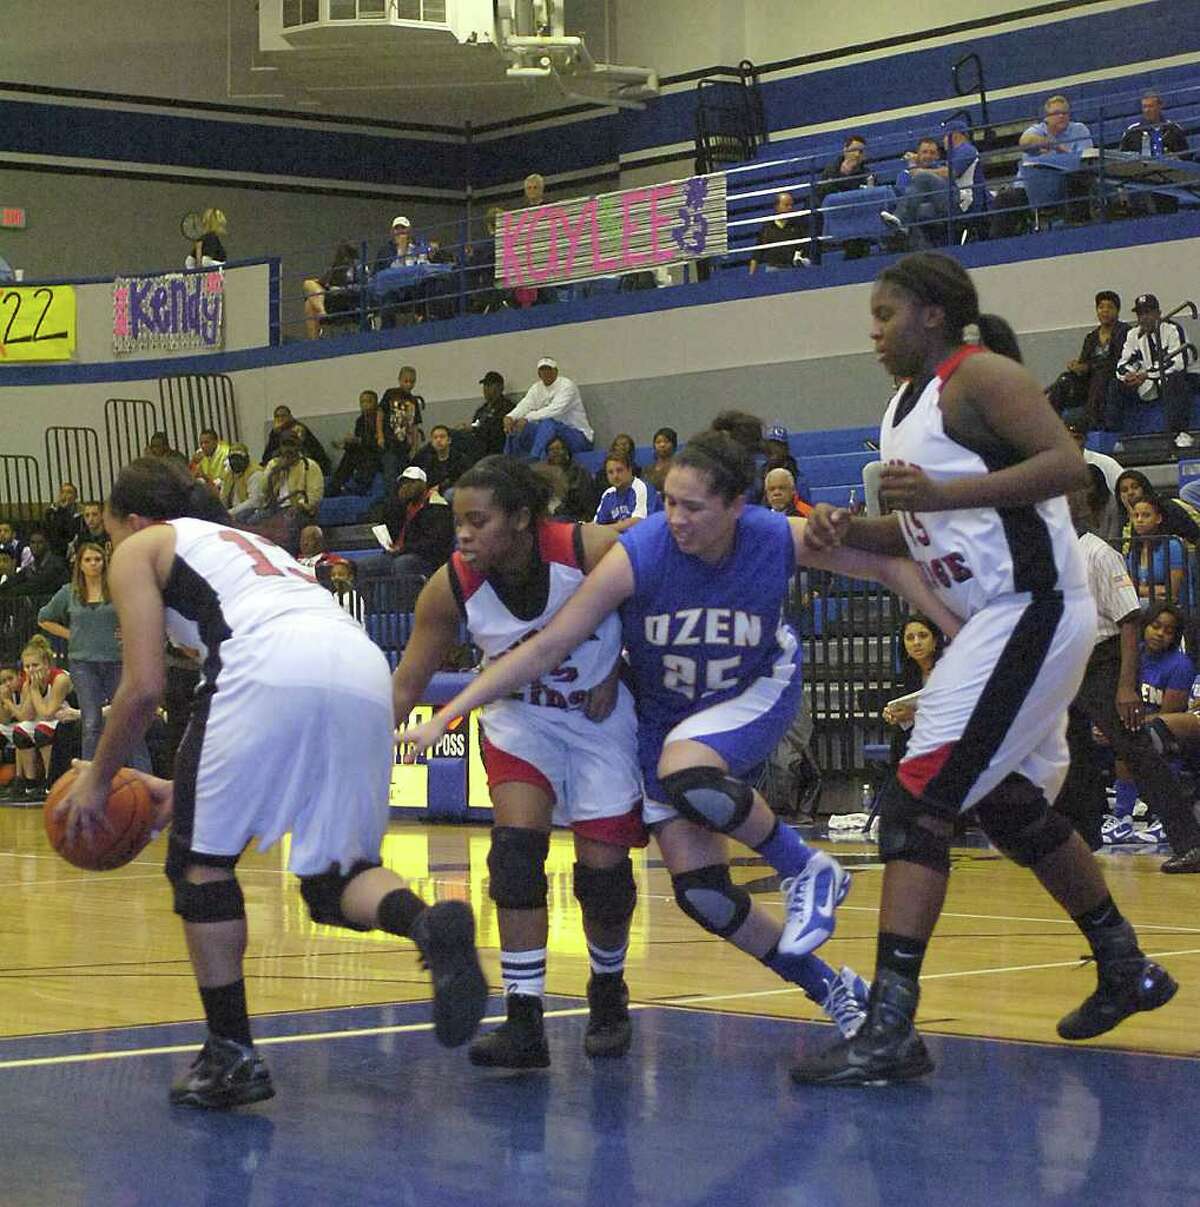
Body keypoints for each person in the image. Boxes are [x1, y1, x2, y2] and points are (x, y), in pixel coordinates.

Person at [403, 433, 967, 1052]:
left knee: (683, 777)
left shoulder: (768, 535)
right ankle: (834, 990)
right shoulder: (640, 550)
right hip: (661, 713)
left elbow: (884, 560)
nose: (675, 519)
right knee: (702, 893)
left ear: (736, 506)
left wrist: (960, 633)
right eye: (668, 502)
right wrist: (448, 713)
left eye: (692, 506)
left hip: (749, 687)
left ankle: (806, 868)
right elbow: (550, 644)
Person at [792, 251, 1175, 1085]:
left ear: (933, 313)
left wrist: (939, 495)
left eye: (886, 313)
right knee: (1002, 803)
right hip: (995, 616)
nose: (874, 328)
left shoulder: (981, 375)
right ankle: (1126, 963)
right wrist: (845, 530)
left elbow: (1068, 469)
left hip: (1033, 607)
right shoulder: (904, 407)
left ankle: (890, 1024)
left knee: (918, 802)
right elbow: (926, 533)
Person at [51, 457, 487, 1109]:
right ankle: (430, 924)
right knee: (336, 876)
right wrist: (179, 790)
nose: (113, 548)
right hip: (363, 669)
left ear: (134, 521)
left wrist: (98, 781)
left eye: (112, 533)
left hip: (266, 665)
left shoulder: (142, 546)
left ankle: (231, 1053)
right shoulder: (246, 546)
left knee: (200, 868)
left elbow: (142, 689)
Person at [391, 456, 653, 1067]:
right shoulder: (451, 584)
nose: (463, 534)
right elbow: (407, 683)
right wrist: (359, 750)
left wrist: (619, 665)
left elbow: (659, 577)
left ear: (521, 520)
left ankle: (607, 988)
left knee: (603, 879)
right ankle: (523, 1016)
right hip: (521, 719)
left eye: (478, 521)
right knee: (514, 855)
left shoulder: (587, 546)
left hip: (597, 720)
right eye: (458, 521)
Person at [37, 540, 152, 773]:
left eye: (97, 559)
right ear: (79, 564)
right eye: (88, 560)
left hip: (116, 661)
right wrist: (71, 634)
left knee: (127, 719)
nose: (93, 564)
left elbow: (141, 612)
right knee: (91, 723)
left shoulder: (118, 589)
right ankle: (89, 779)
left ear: (104, 562)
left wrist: (128, 630)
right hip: (83, 664)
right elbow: (43, 618)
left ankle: (143, 776)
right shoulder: (68, 592)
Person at [1108, 293, 1194, 448]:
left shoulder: (1172, 330)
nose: (1144, 318)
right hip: (1144, 383)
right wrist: (1129, 375)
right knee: (1115, 385)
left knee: (1177, 380)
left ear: (1158, 313)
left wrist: (1147, 374)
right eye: (1140, 313)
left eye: (1148, 312)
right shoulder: (1133, 334)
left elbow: (1180, 361)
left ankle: (1180, 433)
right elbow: (1123, 363)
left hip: (1168, 380)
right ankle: (1117, 437)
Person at [881, 120, 983, 248]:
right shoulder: (954, 155)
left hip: (962, 203)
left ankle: (901, 220)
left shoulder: (966, 149)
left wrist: (917, 168)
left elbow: (951, 173)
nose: (944, 141)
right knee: (918, 211)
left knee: (923, 177)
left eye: (945, 137)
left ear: (954, 136)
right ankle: (909, 236)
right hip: (948, 202)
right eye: (924, 152)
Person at [364, 467, 455, 607]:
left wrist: (403, 549)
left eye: (412, 483)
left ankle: (409, 613)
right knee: (365, 565)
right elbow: (386, 526)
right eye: (404, 483)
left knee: (403, 563)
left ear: (423, 485)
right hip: (400, 553)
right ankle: (368, 612)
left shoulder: (437, 507)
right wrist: (394, 505)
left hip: (427, 559)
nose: (406, 486)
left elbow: (435, 543)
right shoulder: (400, 507)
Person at [0, 637, 73, 803]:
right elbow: (26, 716)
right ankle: (30, 784)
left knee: (42, 731)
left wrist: (34, 690)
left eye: (35, 665)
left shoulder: (60, 679)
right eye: (27, 666)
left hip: (70, 721)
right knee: (21, 731)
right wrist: (14, 698)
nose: (31, 670)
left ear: (47, 664)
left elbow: (47, 713)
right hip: (50, 721)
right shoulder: (29, 684)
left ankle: (51, 782)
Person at [1047, 292, 1130, 425]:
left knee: (1101, 376)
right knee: (1065, 379)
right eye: (1101, 307)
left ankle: (1092, 422)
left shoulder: (1125, 332)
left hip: (1111, 379)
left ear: (1117, 311)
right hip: (1089, 380)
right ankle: (1049, 422)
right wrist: (1077, 366)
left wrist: (1089, 367)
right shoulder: (1091, 337)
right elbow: (1084, 362)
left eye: (1109, 307)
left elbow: (1119, 361)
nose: (1105, 311)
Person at [882, 615, 946, 766]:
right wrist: (893, 714)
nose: (916, 642)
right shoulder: (907, 676)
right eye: (910, 638)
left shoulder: (949, 671)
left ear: (935, 641)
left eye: (923, 636)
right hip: (918, 742)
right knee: (901, 739)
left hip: (948, 743)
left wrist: (914, 716)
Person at [503, 358, 593, 461]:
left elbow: (554, 410)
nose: (546, 373)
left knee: (548, 423)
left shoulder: (567, 385)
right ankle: (509, 462)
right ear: (539, 373)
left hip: (579, 437)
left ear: (556, 371)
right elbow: (525, 405)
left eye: (549, 369)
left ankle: (535, 459)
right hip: (551, 435)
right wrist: (510, 417)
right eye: (543, 370)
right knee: (516, 427)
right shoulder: (536, 388)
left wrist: (527, 418)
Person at [1114, 468, 1199, 553]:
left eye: (1135, 487)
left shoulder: (1167, 508)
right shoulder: (1122, 519)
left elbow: (1195, 537)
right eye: (1124, 490)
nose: (1130, 493)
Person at [1126, 495, 1187, 604]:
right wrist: (1155, 590)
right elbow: (1127, 589)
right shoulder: (1133, 551)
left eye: (1146, 515)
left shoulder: (1172, 545)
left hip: (1170, 606)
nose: (1139, 520)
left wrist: (1140, 590)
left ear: (1158, 518)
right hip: (1140, 604)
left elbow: (1171, 593)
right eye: (1136, 515)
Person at [328, 390, 385, 497]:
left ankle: (357, 487)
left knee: (366, 459)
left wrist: (359, 441)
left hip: (378, 454)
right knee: (349, 455)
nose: (365, 405)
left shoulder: (382, 419)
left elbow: (380, 443)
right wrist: (344, 444)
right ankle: (334, 487)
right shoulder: (360, 421)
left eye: (369, 401)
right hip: (364, 452)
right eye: (362, 402)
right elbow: (359, 441)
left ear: (376, 403)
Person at [301, 242, 362, 339]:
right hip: (332, 299)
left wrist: (343, 289)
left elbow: (364, 286)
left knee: (309, 303)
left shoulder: (360, 267)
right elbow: (323, 282)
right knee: (308, 284)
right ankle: (314, 340)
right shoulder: (335, 268)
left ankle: (321, 313)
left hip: (348, 301)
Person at [594, 453, 660, 531]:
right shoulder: (607, 494)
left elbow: (638, 522)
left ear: (629, 470)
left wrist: (604, 529)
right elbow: (596, 524)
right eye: (610, 472)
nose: (615, 476)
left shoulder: (642, 488)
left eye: (619, 470)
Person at [380, 365, 425, 481]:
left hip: (405, 446)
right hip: (390, 442)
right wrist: (380, 435)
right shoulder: (390, 394)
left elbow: (415, 425)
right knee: (390, 473)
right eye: (406, 381)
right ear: (399, 380)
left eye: (412, 382)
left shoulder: (413, 401)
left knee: (403, 475)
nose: (409, 385)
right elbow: (380, 414)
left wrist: (415, 447)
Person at [456, 371, 513, 461]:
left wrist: (474, 429)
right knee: (451, 436)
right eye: (485, 385)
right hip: (478, 445)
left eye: (489, 385)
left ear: (500, 387)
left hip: (494, 448)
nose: (485, 389)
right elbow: (476, 423)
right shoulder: (482, 410)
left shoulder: (507, 407)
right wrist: (467, 428)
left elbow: (497, 431)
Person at [748, 191, 811, 273]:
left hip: (794, 269)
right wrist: (751, 275)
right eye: (786, 205)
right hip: (773, 269)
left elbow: (805, 247)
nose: (790, 208)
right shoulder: (767, 227)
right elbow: (757, 254)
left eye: (791, 205)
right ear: (776, 207)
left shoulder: (798, 224)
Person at [544, 436, 599, 521]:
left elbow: (581, 503)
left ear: (566, 451)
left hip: (575, 517)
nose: (555, 452)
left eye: (558, 448)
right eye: (551, 449)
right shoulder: (544, 474)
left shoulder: (579, 472)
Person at [7, 528, 69, 595]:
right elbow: (14, 580)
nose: (35, 546)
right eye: (32, 542)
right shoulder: (30, 567)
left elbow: (35, 585)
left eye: (40, 542)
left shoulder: (56, 564)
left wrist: (8, 593)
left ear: (47, 544)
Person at [413, 425, 470, 494]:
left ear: (449, 440)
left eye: (442, 437)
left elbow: (465, 481)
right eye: (435, 438)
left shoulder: (460, 459)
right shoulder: (428, 460)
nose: (438, 440)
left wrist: (441, 487)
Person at [219, 443, 262, 517]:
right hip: (232, 511)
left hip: (252, 510)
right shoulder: (229, 474)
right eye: (232, 458)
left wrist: (230, 512)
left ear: (246, 458)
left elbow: (254, 502)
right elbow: (223, 497)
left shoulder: (255, 473)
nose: (235, 461)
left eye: (238, 458)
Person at [44, 482, 82, 557]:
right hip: (57, 549)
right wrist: (61, 510)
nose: (65, 495)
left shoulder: (81, 514)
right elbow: (54, 533)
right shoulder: (51, 512)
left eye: (69, 492)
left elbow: (71, 533)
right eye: (62, 492)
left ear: (76, 496)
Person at [644, 427, 678, 494]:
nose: (662, 445)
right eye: (658, 442)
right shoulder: (647, 469)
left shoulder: (678, 467)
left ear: (674, 445)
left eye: (666, 441)